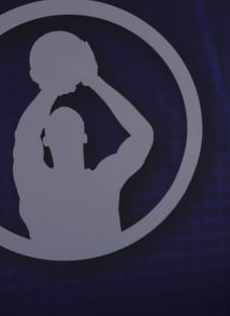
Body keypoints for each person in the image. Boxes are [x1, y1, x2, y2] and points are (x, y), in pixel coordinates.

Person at [14, 31, 154, 259]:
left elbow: (143, 135)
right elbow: (26, 134)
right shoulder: (37, 184)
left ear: (84, 137)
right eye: (59, 130)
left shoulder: (101, 180)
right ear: (46, 141)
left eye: (70, 129)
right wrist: (56, 87)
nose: (65, 135)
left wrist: (91, 80)